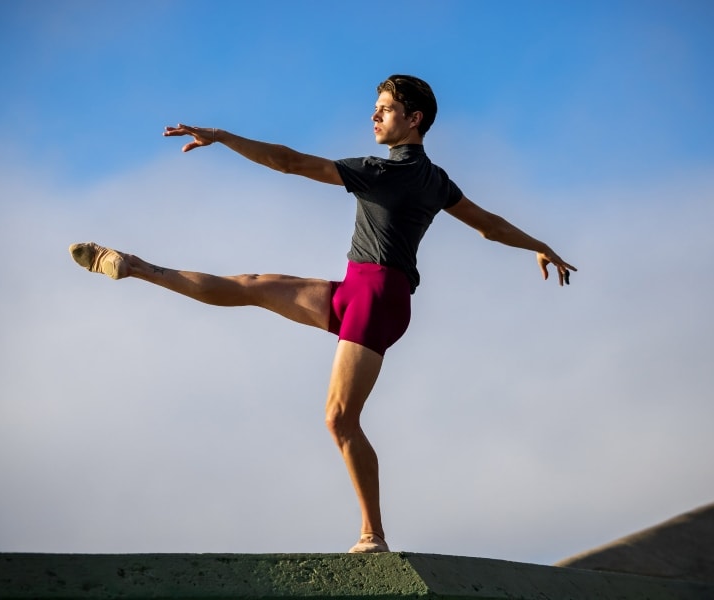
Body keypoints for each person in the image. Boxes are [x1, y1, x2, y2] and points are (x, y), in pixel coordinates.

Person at [69, 74, 576, 553]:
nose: (375, 118)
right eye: (375, 109)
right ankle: (135, 267)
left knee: (339, 419)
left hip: (376, 298)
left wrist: (221, 136)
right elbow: (487, 224)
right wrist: (540, 244)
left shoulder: (382, 171)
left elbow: (290, 162)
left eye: (385, 110)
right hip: (359, 289)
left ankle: (372, 536)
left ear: (414, 118)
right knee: (252, 286)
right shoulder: (436, 180)